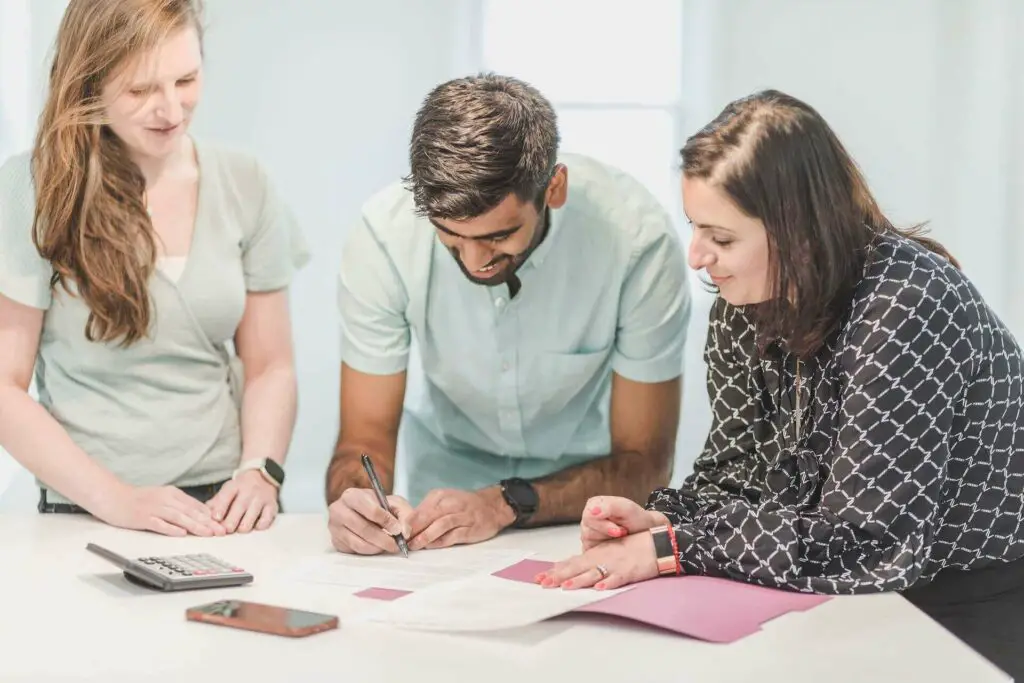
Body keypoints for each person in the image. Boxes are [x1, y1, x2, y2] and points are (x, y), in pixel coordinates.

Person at [539, 90, 1024, 678]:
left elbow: (867, 542)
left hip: (970, 601)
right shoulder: (740, 304)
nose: (697, 258)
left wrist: (673, 549)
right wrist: (657, 523)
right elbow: (734, 475)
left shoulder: (907, 305)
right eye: (695, 229)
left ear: (799, 233)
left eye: (721, 238)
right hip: (833, 589)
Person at [326, 73, 691, 555]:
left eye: (498, 237)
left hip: (586, 514)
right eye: (451, 238)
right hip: (437, 514)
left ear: (553, 189)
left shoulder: (637, 243)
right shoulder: (383, 238)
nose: (476, 262)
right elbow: (364, 438)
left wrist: (501, 504)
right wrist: (354, 503)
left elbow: (646, 463)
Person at [0, 0, 308, 536]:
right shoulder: (33, 187)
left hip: (223, 506)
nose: (171, 110)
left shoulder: (246, 180)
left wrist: (261, 472)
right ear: (89, 87)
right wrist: (117, 501)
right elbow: (5, 386)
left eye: (186, 79)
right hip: (87, 510)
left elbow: (270, 366)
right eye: (140, 91)